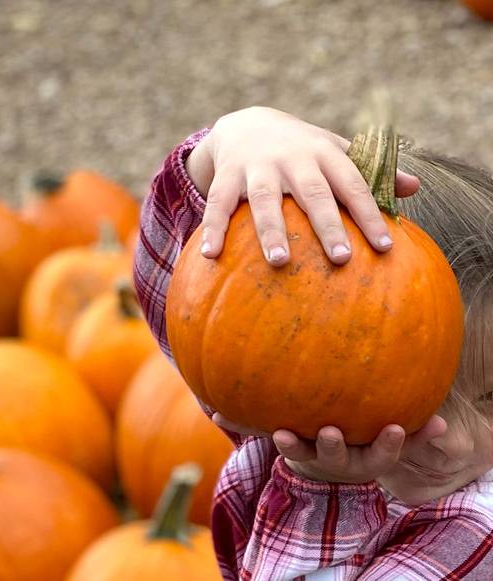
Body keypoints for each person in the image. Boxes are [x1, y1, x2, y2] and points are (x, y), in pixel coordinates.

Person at [134, 106, 493, 579]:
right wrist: (236, 142)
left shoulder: (472, 537)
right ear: (301, 351)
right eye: (414, 405)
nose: (457, 442)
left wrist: (324, 492)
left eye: (492, 397)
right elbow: (178, 286)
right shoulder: (292, 408)